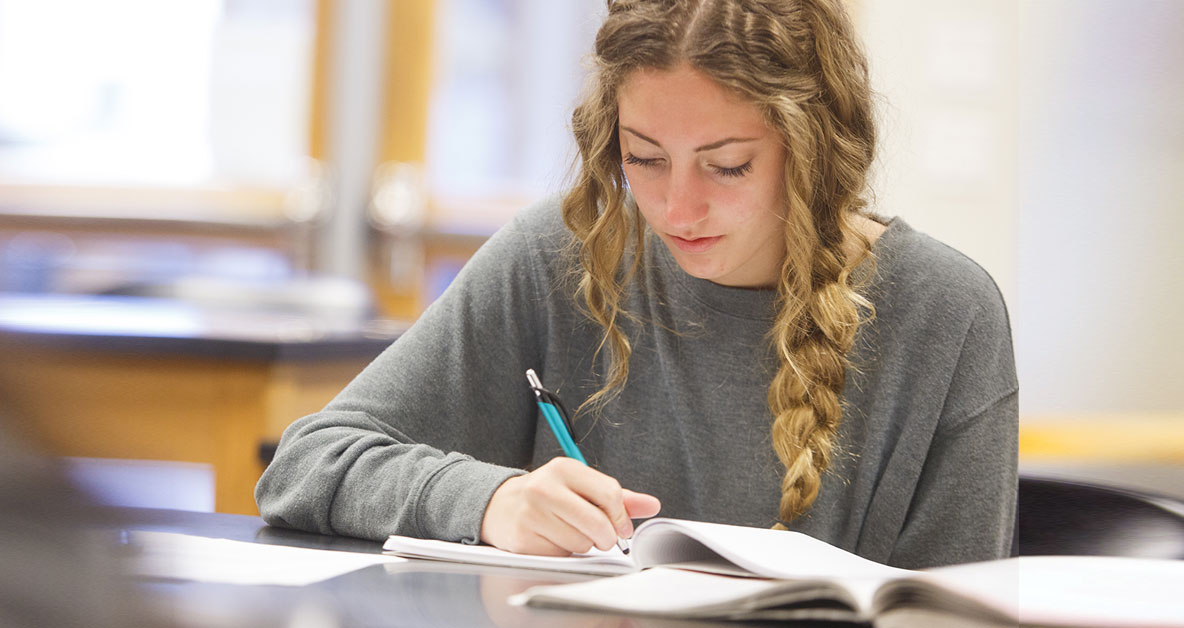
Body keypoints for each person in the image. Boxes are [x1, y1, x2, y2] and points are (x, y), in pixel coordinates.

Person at [256, 0, 1017, 569]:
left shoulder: (947, 315)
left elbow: (954, 607)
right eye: (644, 157)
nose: (676, 209)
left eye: (727, 165)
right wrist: (488, 501)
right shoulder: (560, 255)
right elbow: (308, 463)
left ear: (814, 145)